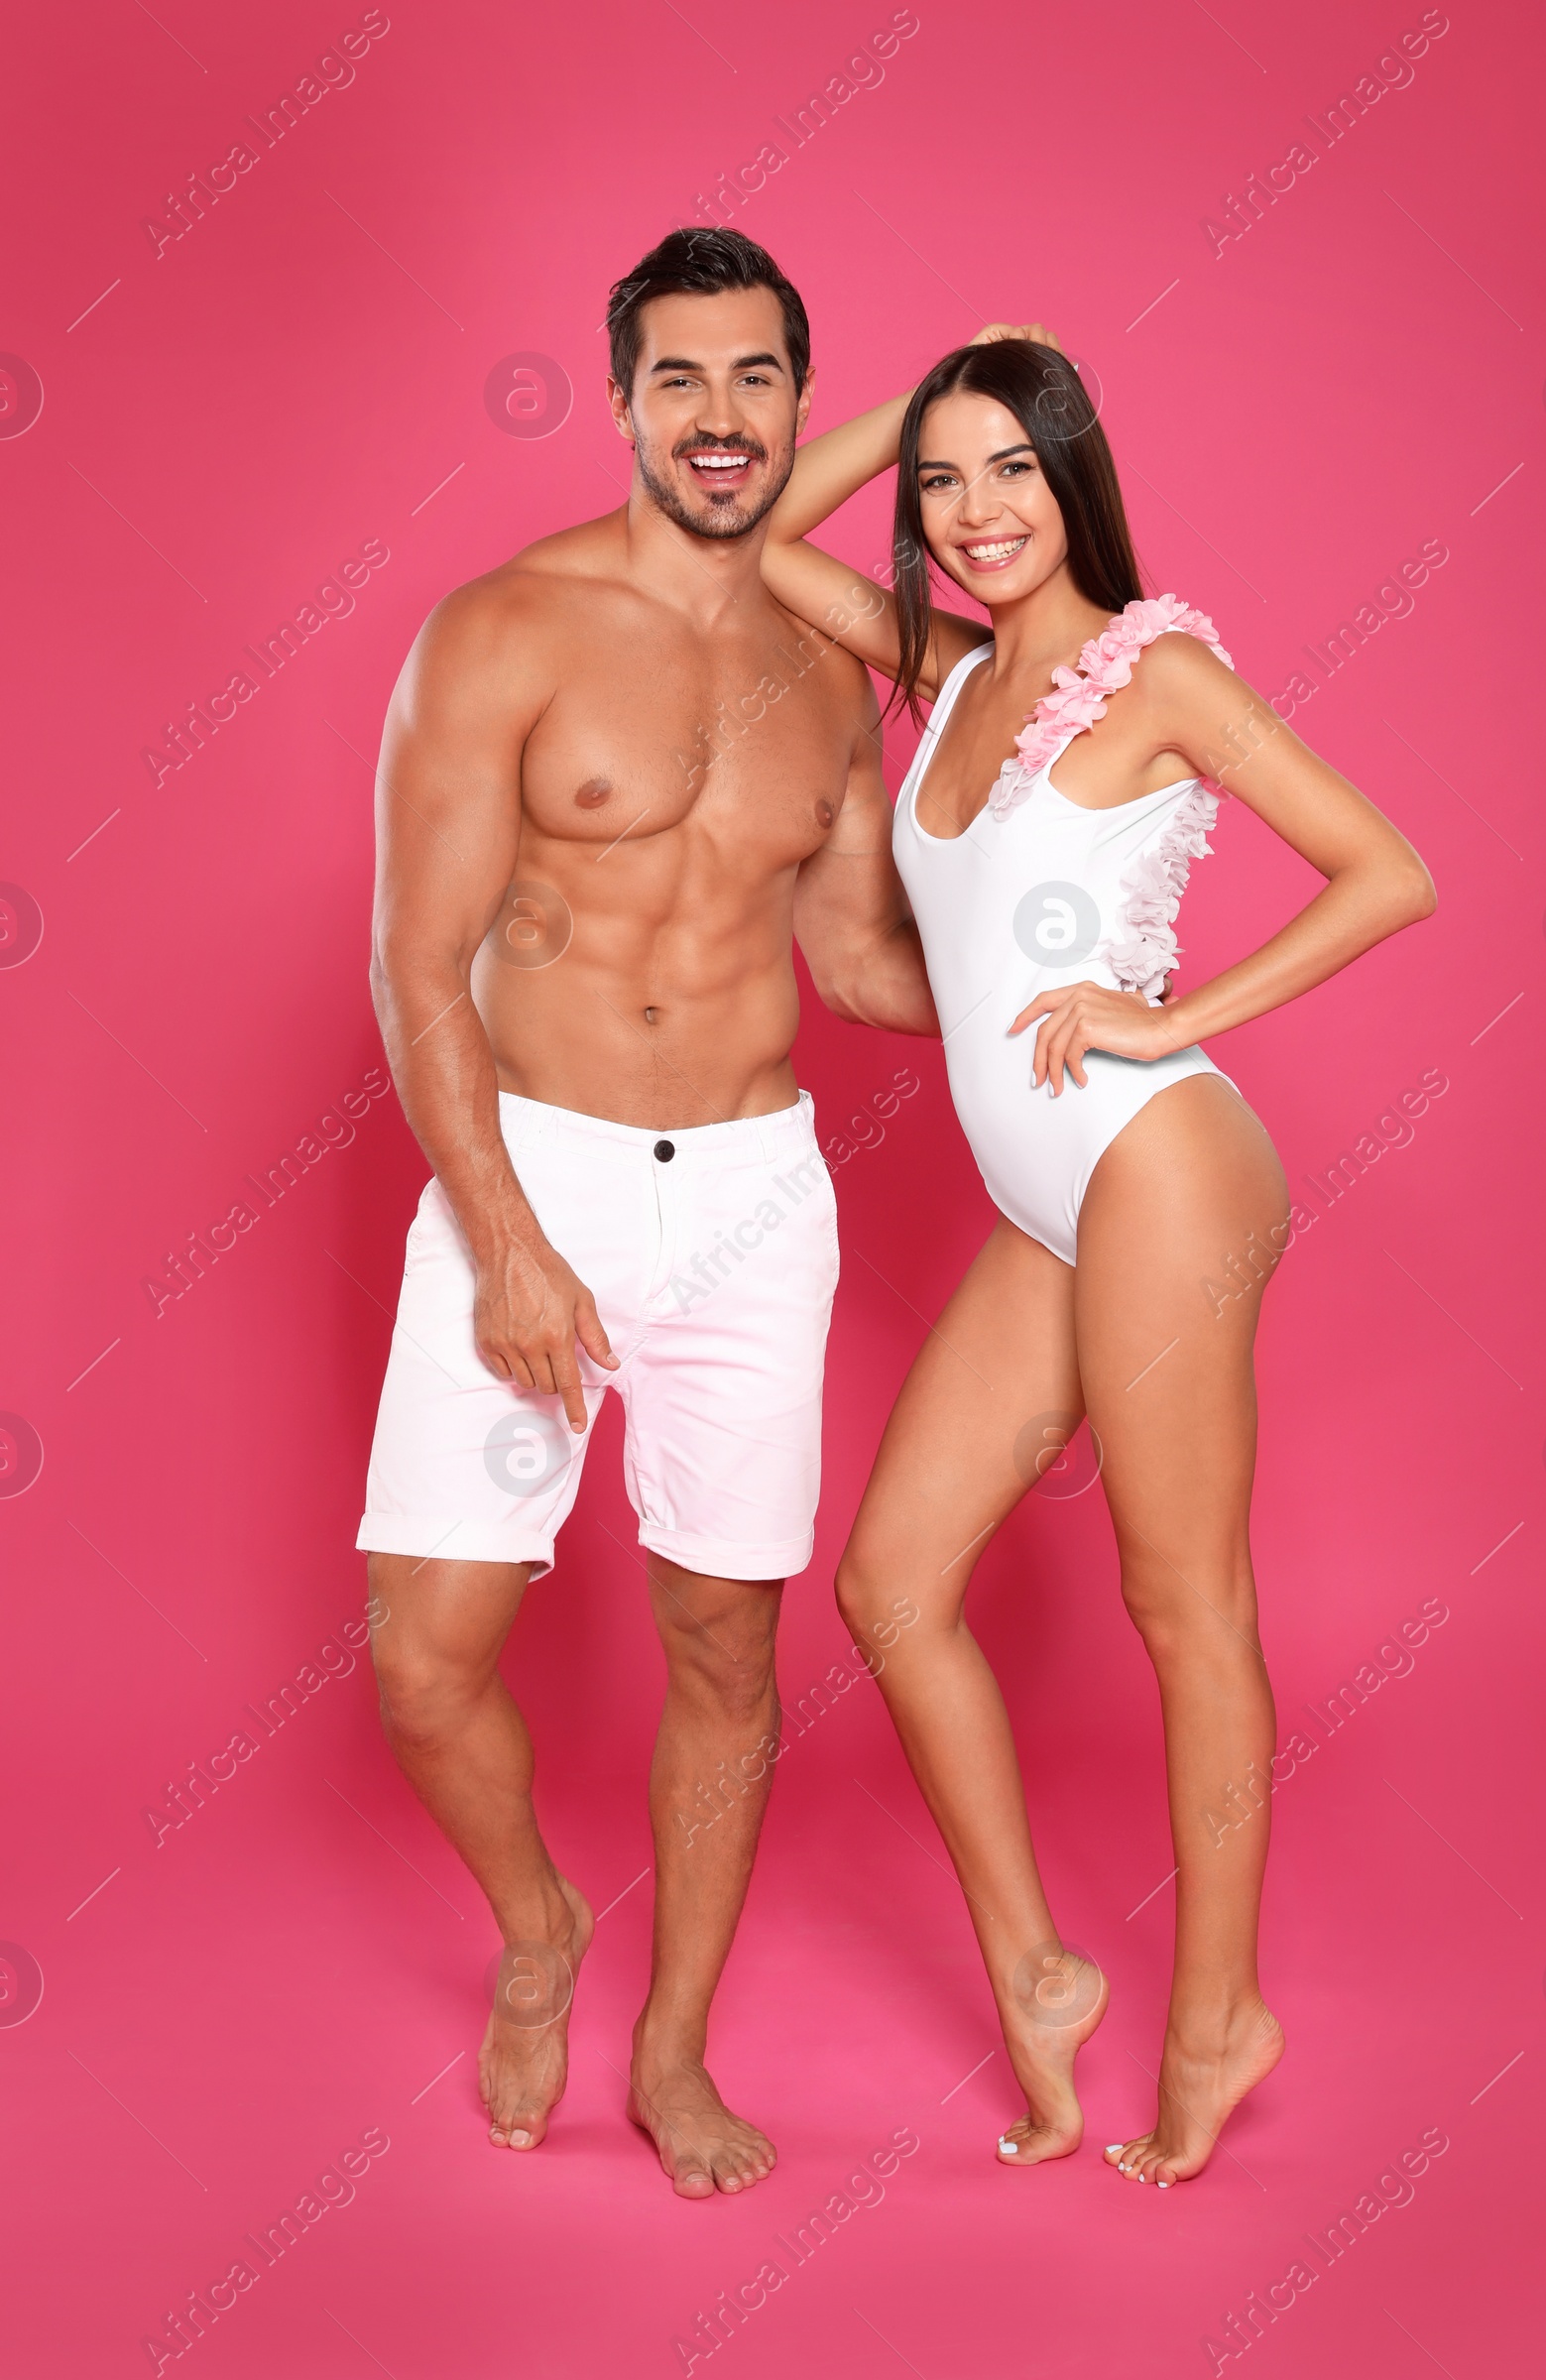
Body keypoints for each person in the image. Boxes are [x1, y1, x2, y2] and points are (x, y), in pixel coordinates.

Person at [761, 327, 1435, 2186]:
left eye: (1012, 470)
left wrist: (1162, 1016)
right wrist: (910, 401)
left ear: (1076, 478)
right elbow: (745, 551)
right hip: (1042, 1200)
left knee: (1178, 1603)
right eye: (944, 482)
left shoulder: (1165, 675)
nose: (976, 516)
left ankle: (1218, 2016)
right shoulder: (954, 670)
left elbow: (1389, 870)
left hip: (1161, 1163)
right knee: (891, 1586)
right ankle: (1042, 1974)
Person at [355, 227, 935, 2198]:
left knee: (721, 1648)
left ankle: (672, 2044)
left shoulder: (829, 674)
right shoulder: (498, 629)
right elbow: (416, 963)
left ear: (795, 398)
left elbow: (858, 961)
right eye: (678, 379)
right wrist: (507, 1239)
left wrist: (1063, 975)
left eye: (755, 377)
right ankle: (538, 1927)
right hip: (534, 1171)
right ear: (618, 400)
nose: (718, 417)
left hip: (753, 1196)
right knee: (425, 1654)